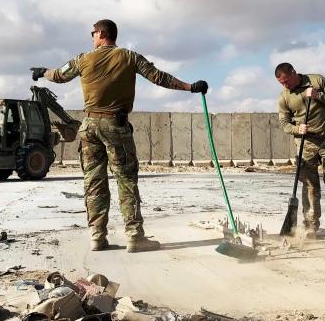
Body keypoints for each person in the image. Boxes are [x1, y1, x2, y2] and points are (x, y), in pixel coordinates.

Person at [31, 19, 208, 253]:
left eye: (93, 33)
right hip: (116, 126)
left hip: (89, 127)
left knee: (94, 183)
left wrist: (43, 72)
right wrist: (190, 87)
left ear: (102, 33)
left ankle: (97, 236)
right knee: (126, 180)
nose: (92, 37)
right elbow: (159, 77)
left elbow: (59, 75)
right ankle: (134, 237)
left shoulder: (83, 59)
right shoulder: (129, 57)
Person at [275, 62, 325, 238]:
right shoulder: (284, 97)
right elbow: (284, 123)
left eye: (287, 81)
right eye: (281, 83)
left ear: (294, 72)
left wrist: (318, 95)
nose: (286, 86)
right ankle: (311, 226)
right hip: (305, 144)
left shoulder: (316, 81)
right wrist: (297, 129)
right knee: (310, 186)